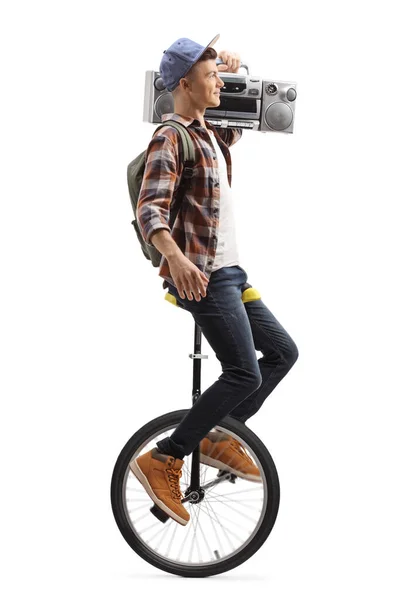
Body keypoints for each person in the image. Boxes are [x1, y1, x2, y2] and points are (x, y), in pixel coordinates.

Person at [130, 34, 299, 526]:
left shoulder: (207, 133)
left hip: (231, 272)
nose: (218, 83)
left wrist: (236, 65)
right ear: (184, 84)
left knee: (283, 352)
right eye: (209, 77)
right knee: (244, 372)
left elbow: (241, 118)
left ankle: (217, 436)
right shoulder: (171, 136)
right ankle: (165, 456)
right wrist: (176, 259)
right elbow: (150, 210)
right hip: (203, 276)